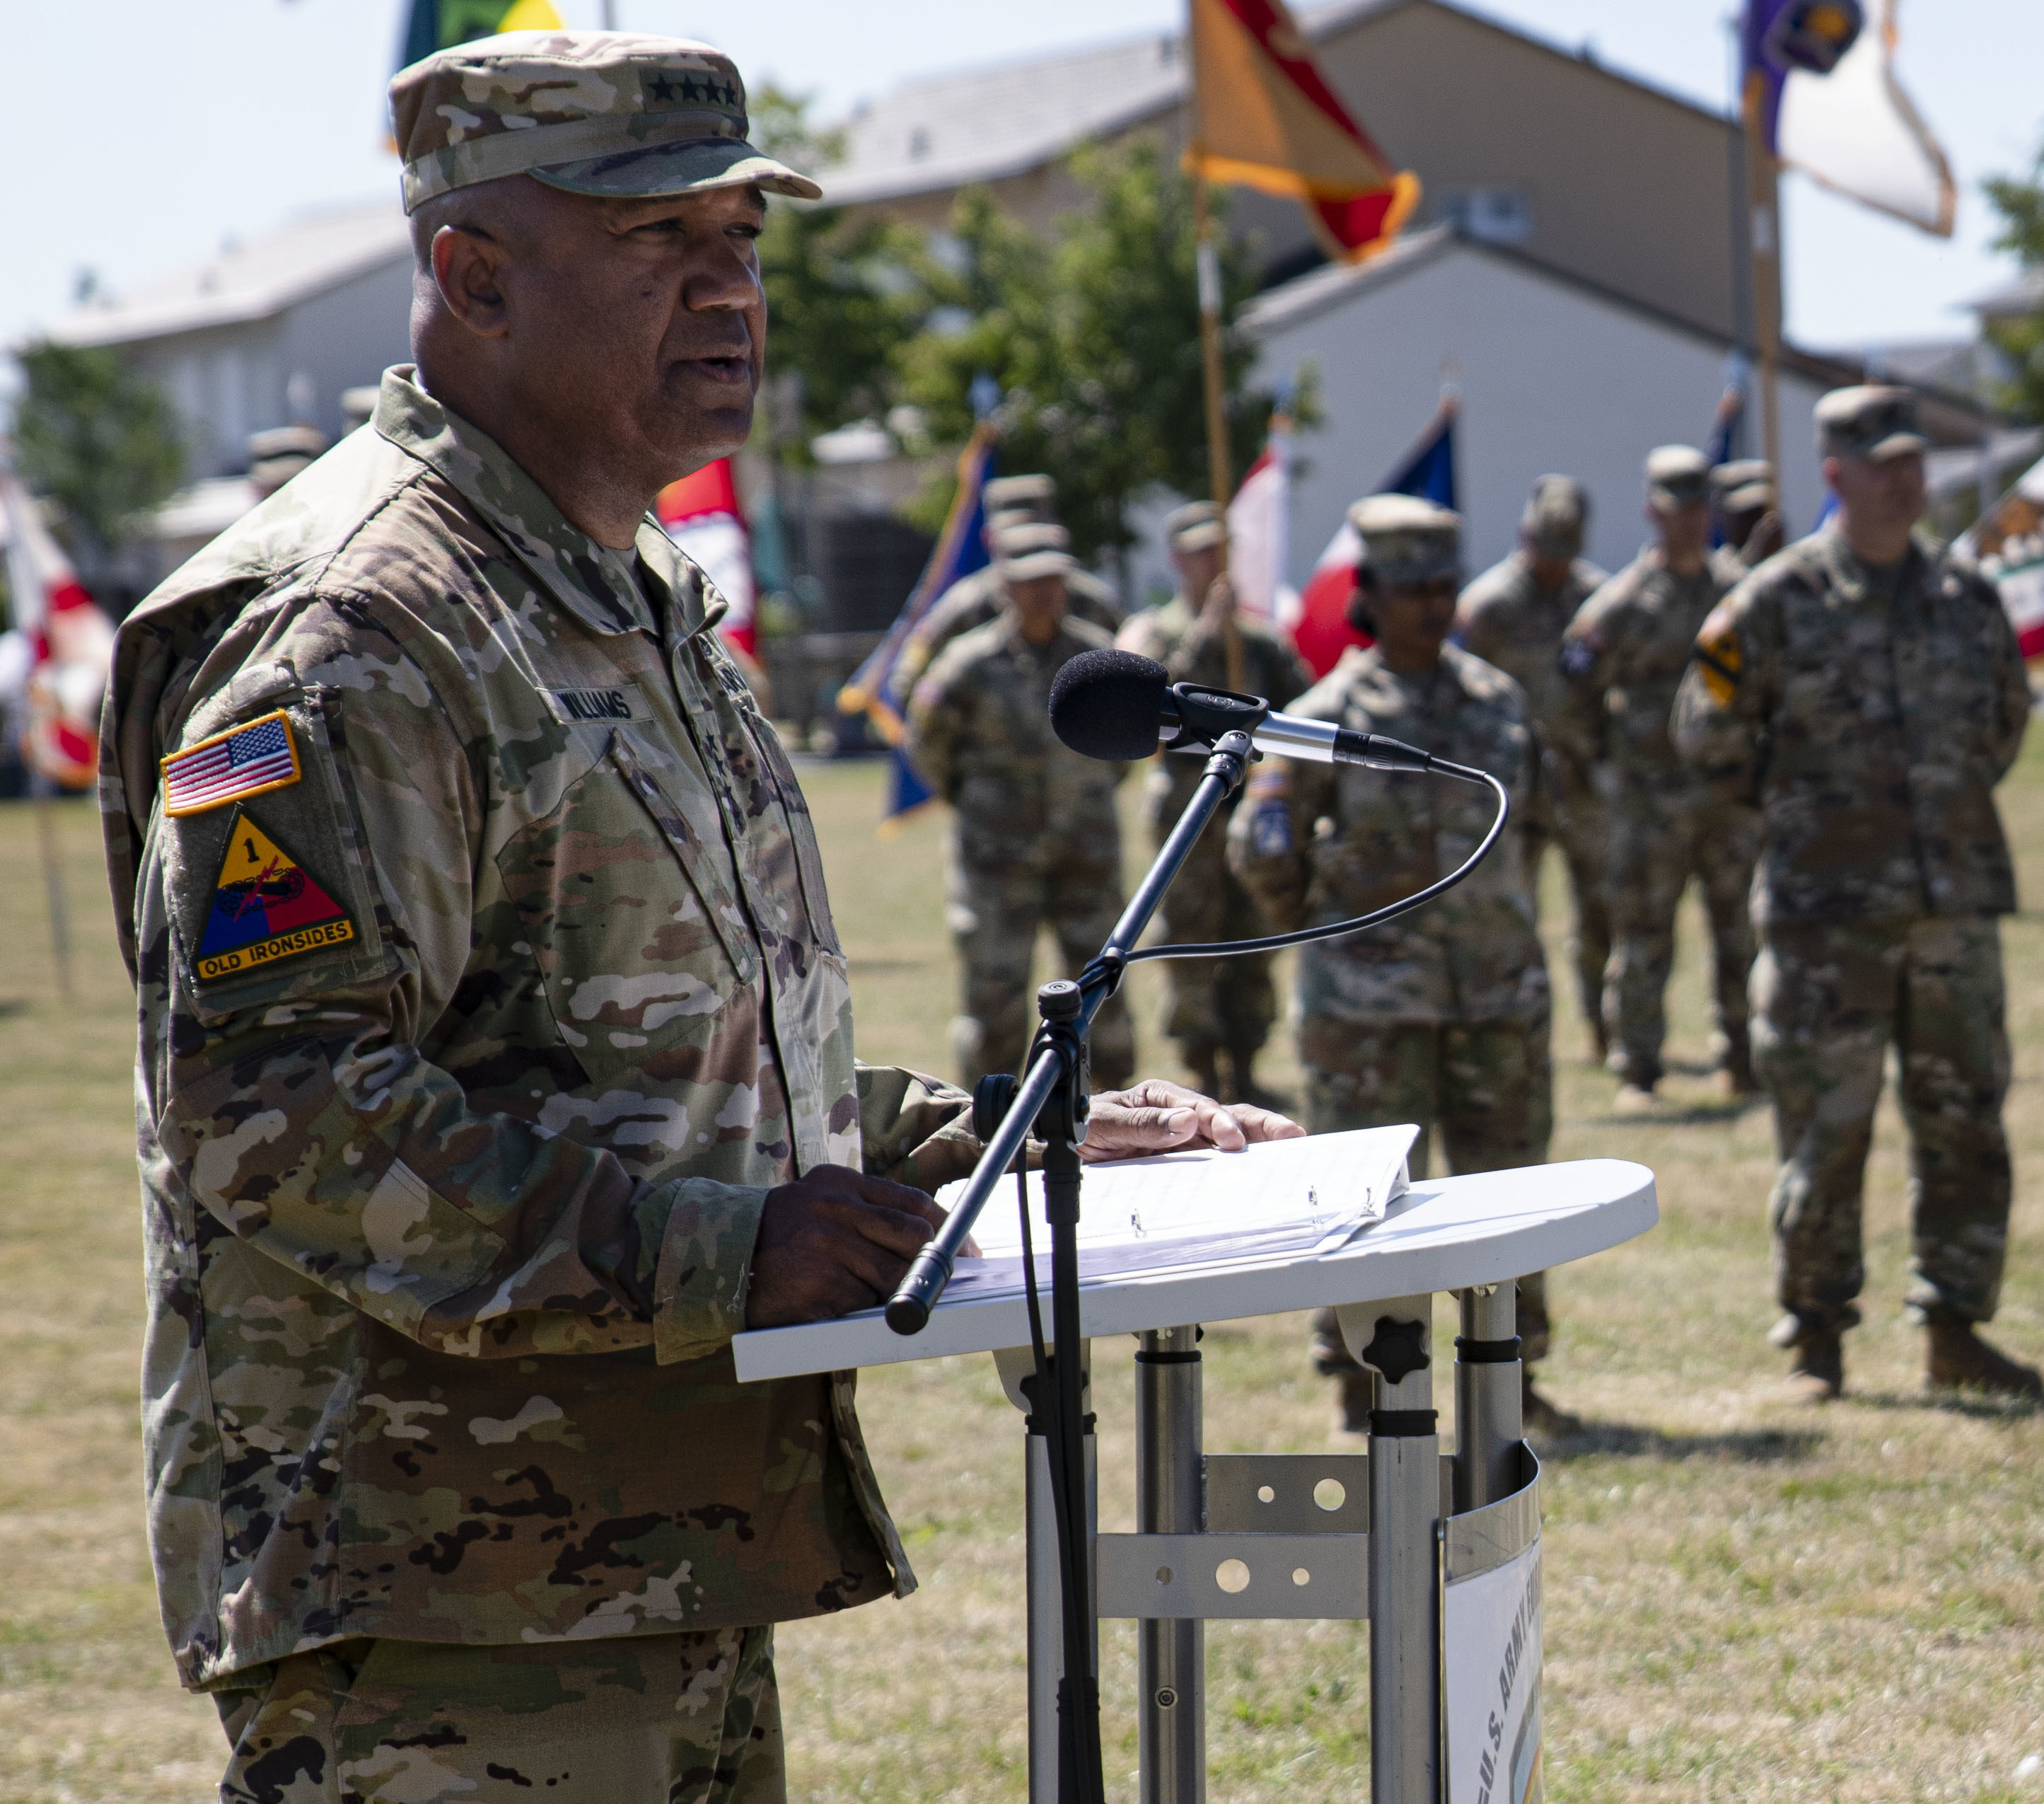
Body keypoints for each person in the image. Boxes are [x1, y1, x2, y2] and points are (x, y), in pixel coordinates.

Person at [97, 35, 1295, 1798]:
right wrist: (713, 1255)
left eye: (741, 241)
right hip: (441, 1610)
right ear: (476, 276)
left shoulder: (616, 587)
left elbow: (672, 1046)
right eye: (660, 241)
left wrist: (1007, 1140)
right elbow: (276, 1116)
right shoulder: (361, 636)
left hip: (640, 1546)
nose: (727, 289)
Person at [1675, 386, 2043, 1401]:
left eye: (1914, 460)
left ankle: (1956, 1327)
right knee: (1825, 1133)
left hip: (1952, 907)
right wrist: (1811, 822)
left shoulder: (1968, 598)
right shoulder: (1771, 602)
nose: (1904, 478)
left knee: (1966, 1121)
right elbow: (1706, 737)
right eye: (1881, 462)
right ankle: (1817, 1339)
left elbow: (2003, 723)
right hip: (1823, 916)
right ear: (1833, 474)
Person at [1231, 495, 1571, 1435]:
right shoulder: (1321, 718)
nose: (1431, 604)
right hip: (1368, 1013)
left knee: (1510, 1192)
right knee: (1366, 1205)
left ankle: (1516, 1380)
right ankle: (1363, 1386)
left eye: (1442, 585)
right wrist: (1334, 941)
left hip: (1497, 996)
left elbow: (1538, 823)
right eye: (1411, 587)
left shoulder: (1499, 703)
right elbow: (1261, 851)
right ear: (1371, 594)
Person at [1564, 445, 1760, 1109]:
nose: (1688, 522)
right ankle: (1638, 1069)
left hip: (1728, 797)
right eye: (1677, 510)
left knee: (1739, 929)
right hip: (1649, 800)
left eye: (1699, 508)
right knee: (1644, 935)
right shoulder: (1618, 604)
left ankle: (1744, 1056)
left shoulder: (1736, 590)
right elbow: (1572, 693)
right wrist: (1604, 765)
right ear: (1653, 511)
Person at [910, 545, 1139, 1088]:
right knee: (995, 998)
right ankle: (986, 1124)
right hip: (997, 862)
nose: (1046, 593)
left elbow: (1129, 745)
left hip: (1086, 854)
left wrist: (1087, 795)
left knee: (1102, 989)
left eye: (1055, 580)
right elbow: (927, 741)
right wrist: (973, 799)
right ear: (1004, 590)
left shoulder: (1097, 660)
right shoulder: (968, 663)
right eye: (1031, 581)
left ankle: (1119, 1109)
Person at [1115, 500, 1311, 1103]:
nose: (1213, 562)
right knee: (1191, 939)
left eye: (1221, 550)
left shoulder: (1258, 640)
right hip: (1185, 814)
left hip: (1248, 811)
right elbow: (1143, 711)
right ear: (1177, 559)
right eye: (1201, 551)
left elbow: (1302, 707)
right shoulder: (1156, 633)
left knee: (1250, 937)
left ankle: (1247, 1061)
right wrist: (1207, 635)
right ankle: (1200, 1064)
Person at [1455, 476, 1613, 1060]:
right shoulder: (1489, 605)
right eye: (1546, 550)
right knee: (1512, 910)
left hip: (1584, 782)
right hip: (1512, 788)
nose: (1554, 565)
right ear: (1526, 537)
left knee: (1601, 909)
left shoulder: (1596, 599)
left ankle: (1604, 1028)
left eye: (1564, 552)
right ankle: (1521, 1030)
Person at [899, 477, 1123, 683]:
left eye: (1037, 530)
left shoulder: (1089, 599)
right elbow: (909, 680)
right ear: (989, 540)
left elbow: (1128, 660)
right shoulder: (966, 604)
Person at [1707, 457, 1784, 583]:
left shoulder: (1801, 565)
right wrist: (1751, 558)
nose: (1759, 524)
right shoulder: (1717, 570)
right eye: (1747, 515)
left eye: (1761, 511)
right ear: (1723, 515)